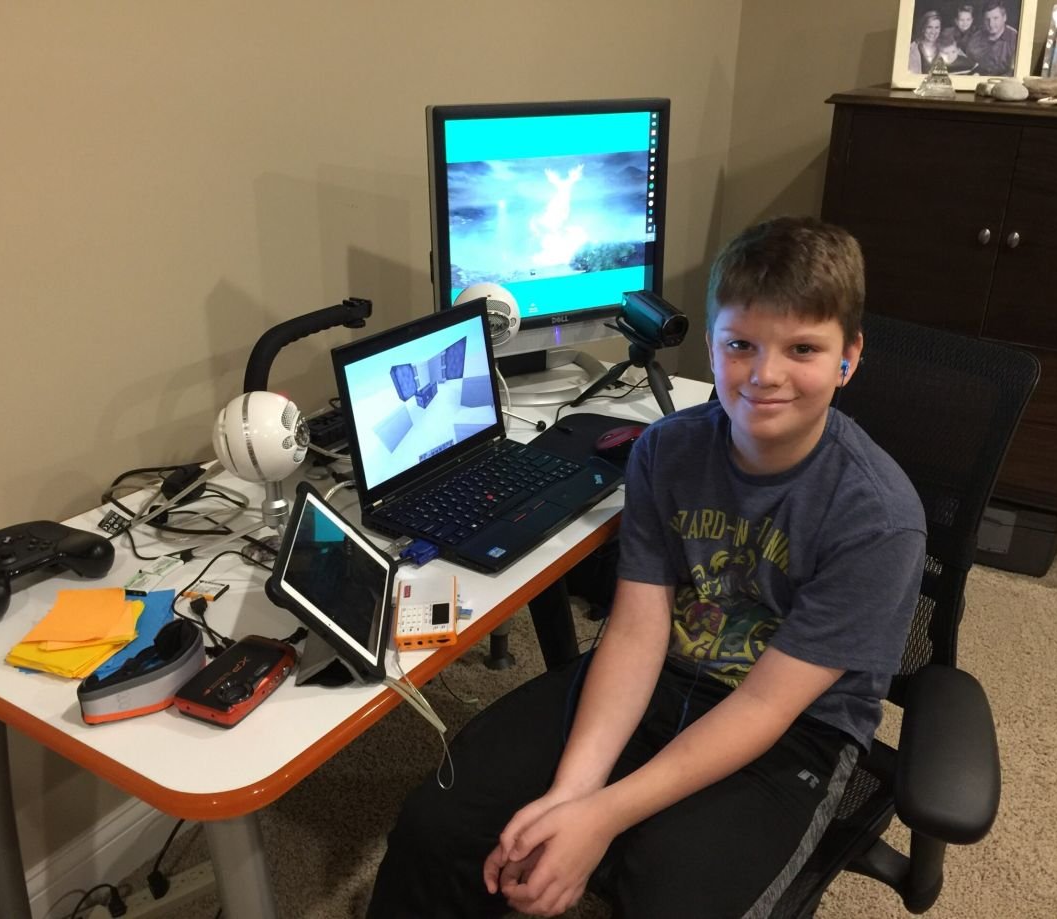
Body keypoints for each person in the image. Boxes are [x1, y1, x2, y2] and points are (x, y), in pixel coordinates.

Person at [367, 216, 928, 919]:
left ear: (848, 357)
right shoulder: (665, 449)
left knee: (670, 893)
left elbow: (763, 704)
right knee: (441, 826)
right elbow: (635, 632)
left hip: (792, 726)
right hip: (658, 673)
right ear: (713, 343)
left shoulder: (876, 516)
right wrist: (573, 795)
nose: (765, 374)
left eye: (803, 348)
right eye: (740, 344)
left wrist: (600, 818)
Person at [969, 0, 1018, 76]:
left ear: (1004, 17)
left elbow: (1014, 73)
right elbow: (969, 66)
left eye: (995, 18)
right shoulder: (975, 38)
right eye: (987, 19)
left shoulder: (1015, 40)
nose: (991, 24)